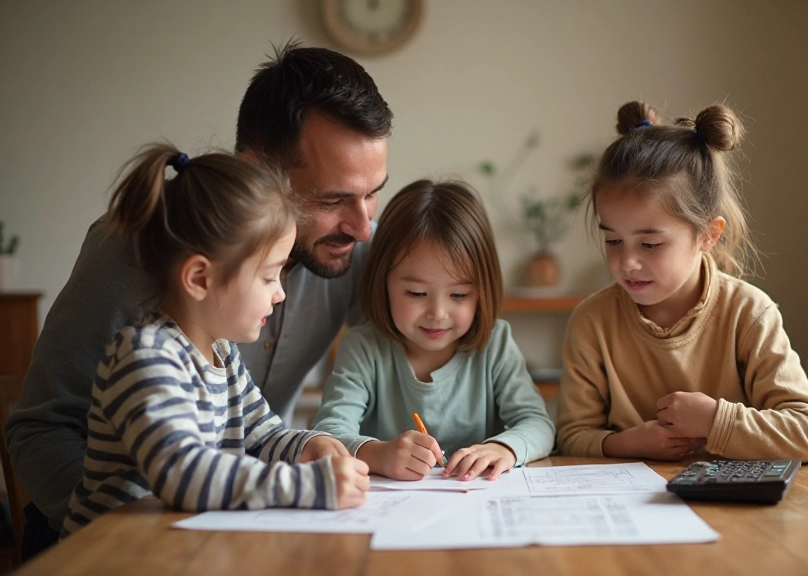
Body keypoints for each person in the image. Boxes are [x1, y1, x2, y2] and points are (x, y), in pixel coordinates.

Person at [4, 42, 391, 555]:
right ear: (256, 171)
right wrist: (132, 531)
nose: (363, 228)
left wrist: (321, 449)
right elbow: (45, 431)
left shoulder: (229, 349)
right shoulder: (138, 262)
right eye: (332, 200)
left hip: (230, 521)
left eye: (373, 193)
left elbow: (263, 431)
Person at [61, 145, 370, 536]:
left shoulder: (222, 354)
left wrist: (308, 445)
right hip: (114, 555)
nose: (280, 294)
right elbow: (182, 473)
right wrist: (309, 486)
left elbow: (263, 436)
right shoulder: (145, 358)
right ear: (200, 279)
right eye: (268, 276)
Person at [556, 101, 808, 463]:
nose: (627, 262)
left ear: (707, 236)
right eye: (613, 240)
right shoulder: (592, 321)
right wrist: (629, 443)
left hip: (735, 515)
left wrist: (716, 421)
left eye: (650, 244)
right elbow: (573, 435)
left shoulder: (750, 313)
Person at [312, 180, 554, 481]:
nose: (438, 314)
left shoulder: (495, 343)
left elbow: (538, 423)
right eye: (415, 293)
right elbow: (328, 433)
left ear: (482, 290)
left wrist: (503, 448)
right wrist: (379, 454)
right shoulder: (364, 347)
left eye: (459, 296)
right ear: (382, 282)